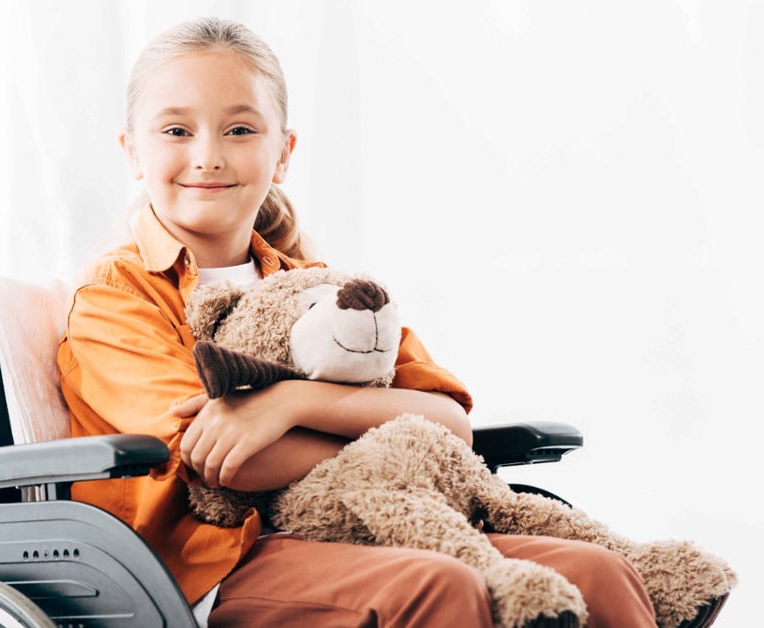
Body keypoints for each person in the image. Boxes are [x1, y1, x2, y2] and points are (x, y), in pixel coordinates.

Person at [57, 16, 657, 627]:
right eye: (177, 130)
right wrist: (383, 433)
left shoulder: (323, 289)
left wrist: (290, 403)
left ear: (283, 154)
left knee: (598, 573)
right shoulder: (116, 296)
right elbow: (222, 458)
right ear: (133, 150)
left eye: (240, 129)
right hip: (218, 559)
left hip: (371, 522)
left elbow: (449, 421)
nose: (207, 156)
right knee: (436, 587)